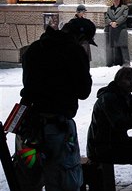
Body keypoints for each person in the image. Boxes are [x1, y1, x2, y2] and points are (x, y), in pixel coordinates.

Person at [16, 20, 92, 190]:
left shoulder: (34, 48)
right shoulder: (74, 51)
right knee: (64, 180)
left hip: (29, 127)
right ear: (80, 36)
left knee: (28, 179)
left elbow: (29, 87)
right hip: (58, 128)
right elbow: (83, 91)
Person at [86, 67, 132, 191]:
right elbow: (120, 124)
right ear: (118, 81)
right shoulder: (109, 98)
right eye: (128, 79)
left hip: (117, 141)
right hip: (103, 147)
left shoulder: (127, 97)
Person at [105, 0, 130, 67]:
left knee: (123, 46)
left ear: (120, 0)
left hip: (121, 29)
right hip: (113, 29)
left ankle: (126, 62)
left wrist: (117, 22)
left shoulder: (124, 7)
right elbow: (106, 17)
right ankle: (117, 62)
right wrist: (110, 23)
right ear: (112, 0)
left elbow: (124, 16)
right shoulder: (109, 9)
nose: (116, 1)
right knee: (115, 46)